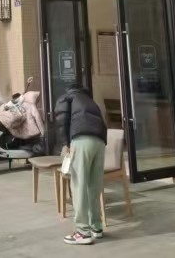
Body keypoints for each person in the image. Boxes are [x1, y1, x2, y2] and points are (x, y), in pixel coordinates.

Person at [54, 83, 108, 245]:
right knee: (94, 186)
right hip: (99, 142)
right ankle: (96, 227)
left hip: (81, 140)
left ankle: (83, 232)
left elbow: (61, 121)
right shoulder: (91, 102)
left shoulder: (67, 98)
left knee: (79, 185)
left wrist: (66, 143)